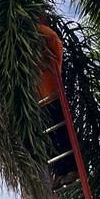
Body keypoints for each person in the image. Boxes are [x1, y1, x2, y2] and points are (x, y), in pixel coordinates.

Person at [37, 22, 77, 188]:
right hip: (40, 101)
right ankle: (60, 172)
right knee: (50, 140)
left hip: (52, 95)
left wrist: (31, 29)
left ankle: (72, 168)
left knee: (61, 134)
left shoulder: (47, 38)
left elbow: (54, 42)